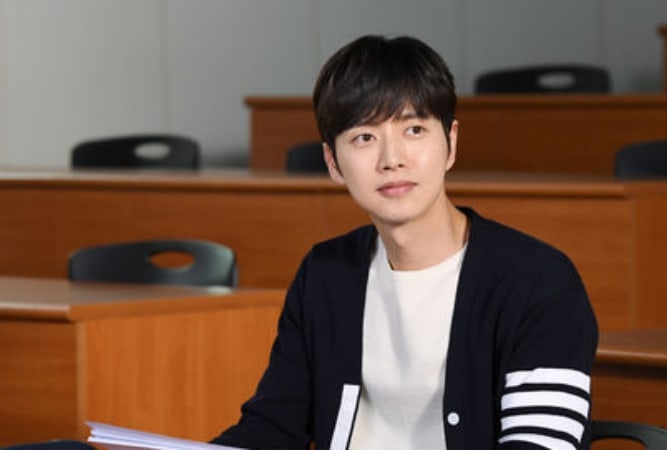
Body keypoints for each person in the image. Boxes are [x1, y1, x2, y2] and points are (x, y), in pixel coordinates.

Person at [213, 34, 598, 450]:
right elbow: (273, 425)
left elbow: (540, 444)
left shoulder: (539, 281)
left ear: (451, 142)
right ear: (332, 162)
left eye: (414, 130)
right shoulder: (325, 273)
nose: (391, 159)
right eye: (364, 138)